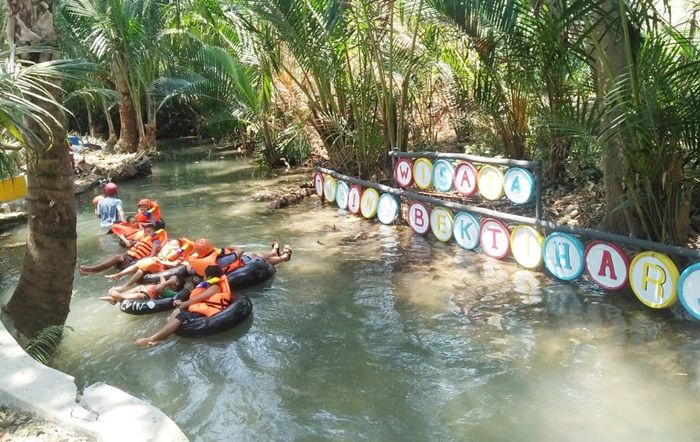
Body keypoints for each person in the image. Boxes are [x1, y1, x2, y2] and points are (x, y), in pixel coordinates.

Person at [134, 265, 231, 347]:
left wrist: (183, 304)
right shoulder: (210, 286)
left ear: (208, 277)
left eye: (204, 275)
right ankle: (161, 337)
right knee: (177, 311)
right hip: (205, 309)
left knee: (181, 313)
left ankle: (151, 339)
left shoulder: (215, 287)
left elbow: (197, 299)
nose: (203, 277)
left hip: (212, 314)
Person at [105, 238, 194, 292]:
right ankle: (118, 276)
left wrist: (160, 261)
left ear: (179, 247)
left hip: (162, 267)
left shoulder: (180, 255)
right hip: (156, 262)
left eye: (175, 244)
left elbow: (174, 264)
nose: (172, 245)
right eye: (172, 243)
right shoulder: (165, 249)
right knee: (139, 265)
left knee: (141, 269)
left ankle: (125, 286)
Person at [79, 224, 165, 275]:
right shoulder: (142, 239)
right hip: (129, 256)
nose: (147, 234)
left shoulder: (156, 241)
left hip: (136, 260)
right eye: (145, 232)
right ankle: (92, 270)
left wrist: (142, 262)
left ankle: (92, 270)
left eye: (149, 232)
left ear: (154, 232)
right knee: (116, 258)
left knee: (118, 259)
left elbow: (152, 255)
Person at [185, 238, 292, 277]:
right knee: (261, 259)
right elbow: (240, 252)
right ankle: (284, 257)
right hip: (237, 267)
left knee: (254, 254)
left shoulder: (199, 262)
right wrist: (233, 247)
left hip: (228, 267)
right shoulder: (221, 260)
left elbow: (190, 269)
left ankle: (274, 252)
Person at [99, 274, 182, 305]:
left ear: (176, 285)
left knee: (141, 295)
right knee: (140, 287)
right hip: (148, 292)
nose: (168, 281)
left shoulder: (172, 292)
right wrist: (161, 276)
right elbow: (163, 281)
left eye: (171, 281)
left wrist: (168, 281)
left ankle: (120, 297)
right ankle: (115, 298)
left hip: (149, 298)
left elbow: (159, 288)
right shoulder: (166, 285)